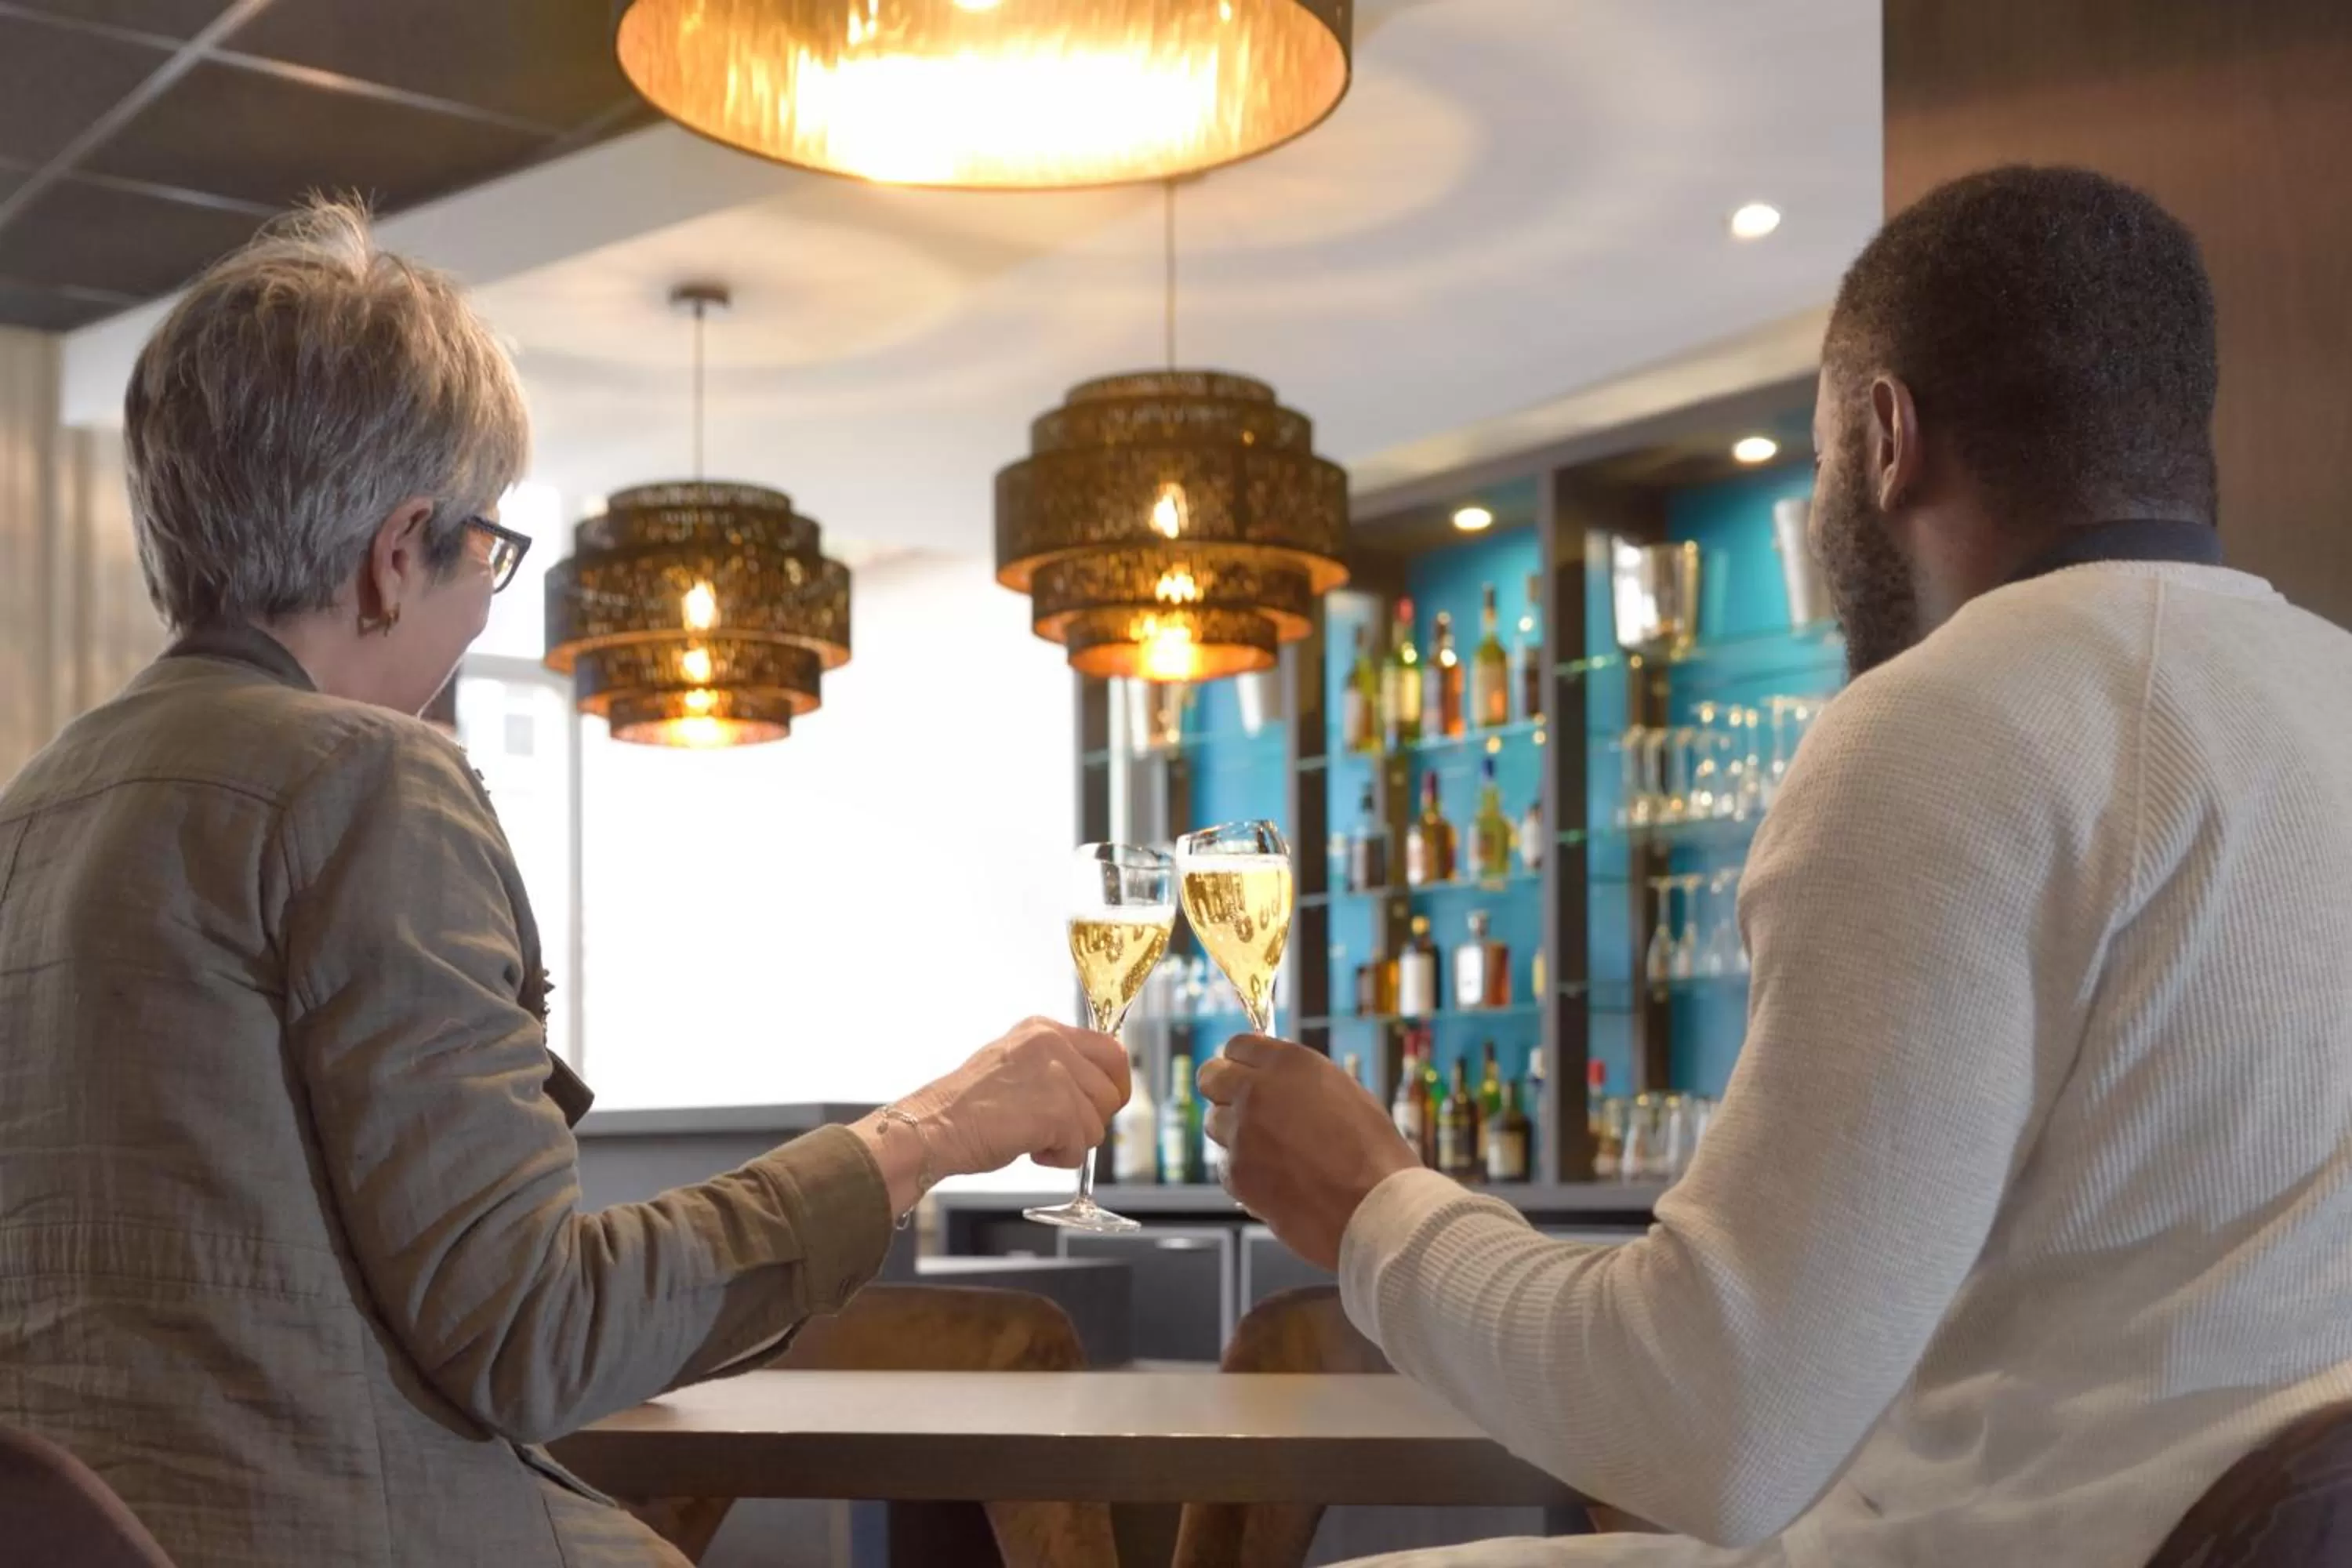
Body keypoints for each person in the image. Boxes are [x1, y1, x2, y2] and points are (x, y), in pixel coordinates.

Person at [1203, 165, 2352, 1566]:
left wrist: (1374, 1205)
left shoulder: (1953, 721)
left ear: (1885, 435)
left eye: (1815, 463)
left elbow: (1713, 1425)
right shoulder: (2324, 689)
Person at [0, 201, 1127, 1568]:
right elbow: (534, 1335)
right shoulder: (366, 782)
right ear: (395, 550)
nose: (484, 605)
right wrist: (930, 1134)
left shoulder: (34, 810)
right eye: (490, 551)